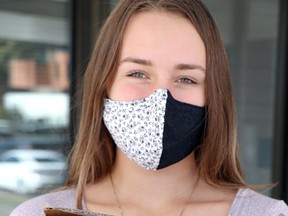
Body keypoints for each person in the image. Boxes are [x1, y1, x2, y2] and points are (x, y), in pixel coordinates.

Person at [10, 0, 288, 215]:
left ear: (214, 96)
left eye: (186, 78)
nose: (160, 98)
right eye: (138, 73)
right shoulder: (36, 213)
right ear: (104, 83)